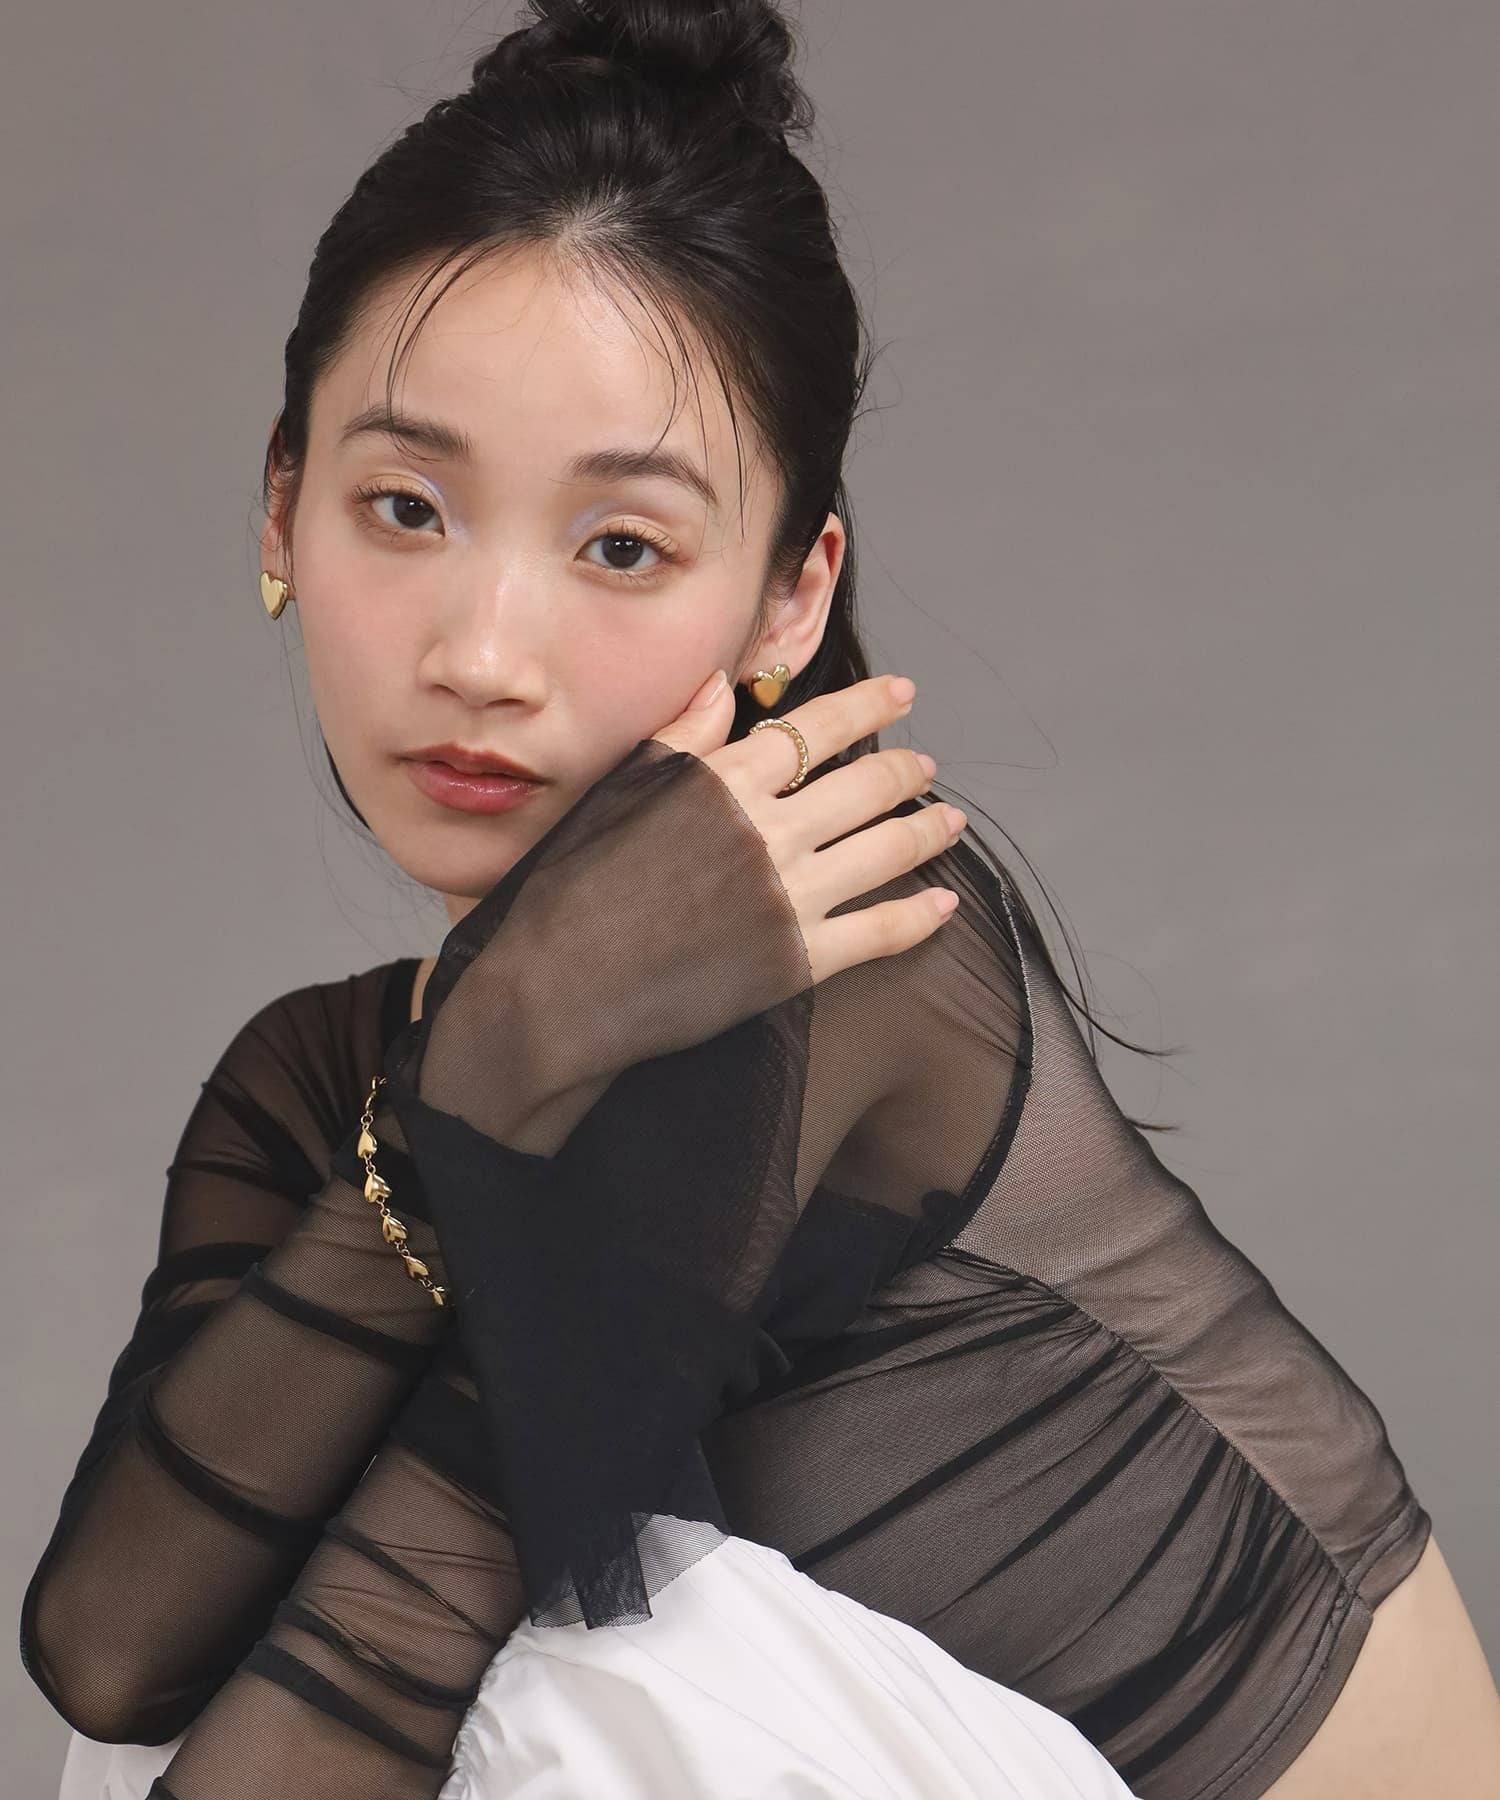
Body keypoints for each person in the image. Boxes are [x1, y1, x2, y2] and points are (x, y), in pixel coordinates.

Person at [20, 2, 1500, 1797]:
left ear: (792, 598)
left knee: (583, 1684)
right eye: (405, 509)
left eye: (622, 545)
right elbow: (112, 1658)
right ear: (281, 507)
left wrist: (506, 1055)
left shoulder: (838, 964)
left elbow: (356, 1693)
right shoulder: (323, 1068)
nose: (482, 653)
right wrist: (463, 1082)